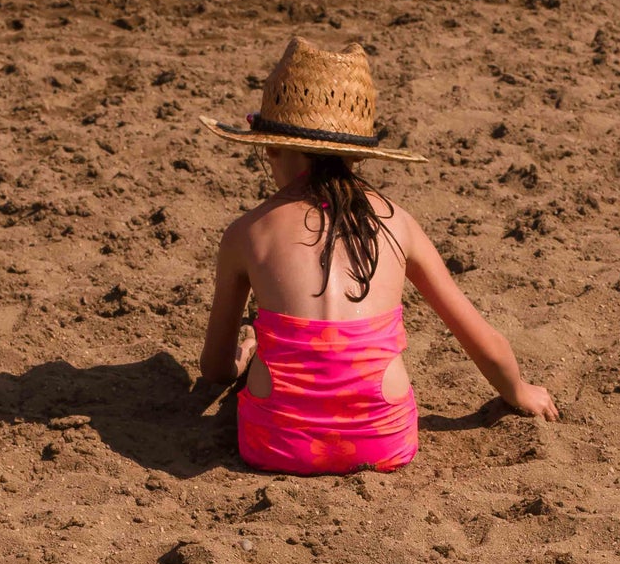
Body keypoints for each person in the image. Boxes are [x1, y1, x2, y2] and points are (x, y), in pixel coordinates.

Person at [198, 36, 557, 476]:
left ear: (269, 145)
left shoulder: (247, 231)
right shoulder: (397, 222)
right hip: (382, 440)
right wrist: (519, 391)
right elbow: (480, 338)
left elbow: (214, 369)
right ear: (358, 153)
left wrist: (245, 355)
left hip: (273, 444)